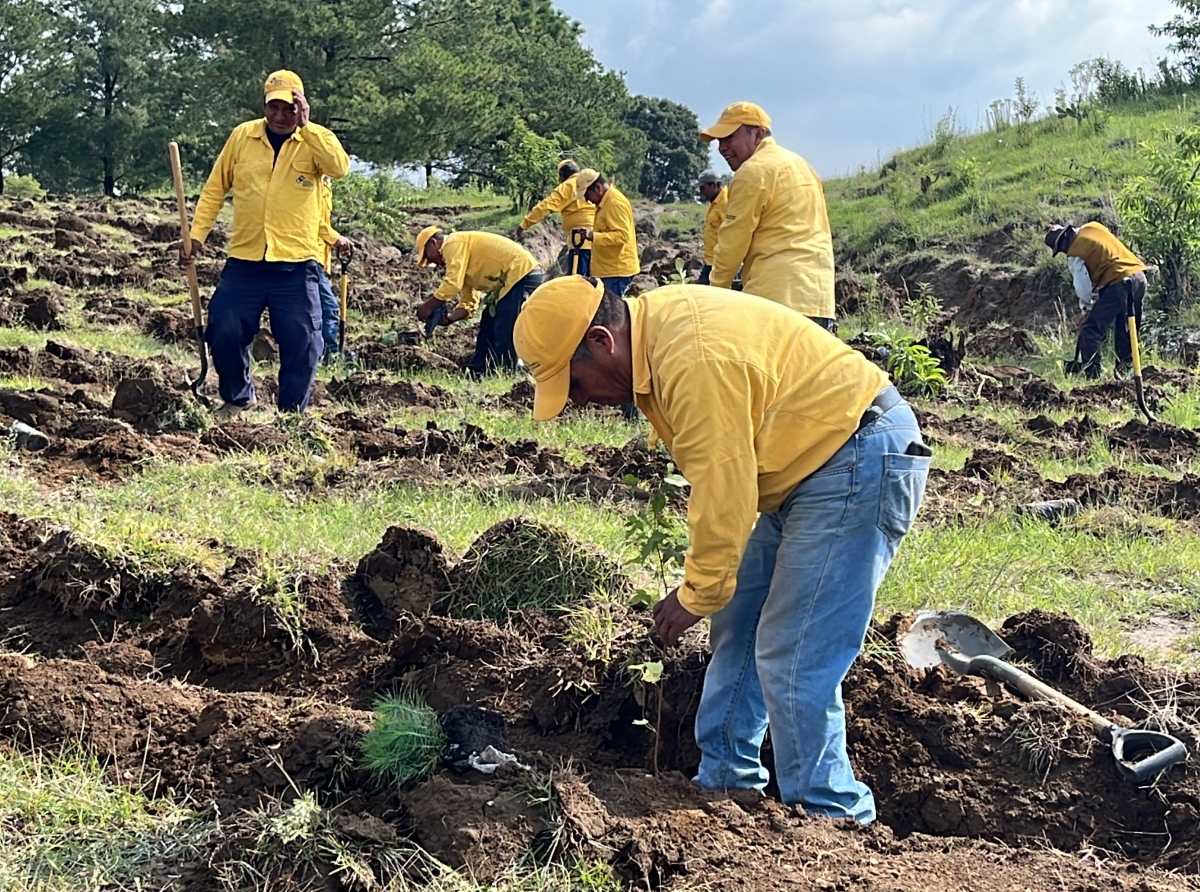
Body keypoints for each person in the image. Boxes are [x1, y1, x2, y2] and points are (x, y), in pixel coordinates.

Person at [513, 275, 930, 823]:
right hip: (810, 466)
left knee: (794, 650)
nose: (579, 400)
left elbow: (723, 489)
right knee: (739, 618)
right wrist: (708, 592)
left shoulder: (691, 360)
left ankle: (832, 819)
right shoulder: (657, 337)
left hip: (855, 455)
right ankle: (726, 780)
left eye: (574, 382)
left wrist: (696, 593)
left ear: (600, 340)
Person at [185, 69, 349, 419]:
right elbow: (215, 188)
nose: (279, 116)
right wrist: (196, 235)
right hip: (246, 260)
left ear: (300, 107)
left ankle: (291, 415)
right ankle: (237, 398)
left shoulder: (314, 141)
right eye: (273, 107)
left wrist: (308, 126)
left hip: (295, 263)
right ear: (264, 105)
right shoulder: (243, 137)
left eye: (288, 108)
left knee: (305, 342)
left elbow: (339, 167)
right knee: (224, 327)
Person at [701, 102, 836, 332]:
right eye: (719, 141)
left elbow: (732, 244)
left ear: (758, 134)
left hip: (775, 301)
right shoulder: (802, 166)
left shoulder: (753, 171)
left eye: (729, 137)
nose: (722, 147)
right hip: (818, 300)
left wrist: (714, 295)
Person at [414, 227, 543, 375]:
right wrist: (449, 320)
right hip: (510, 282)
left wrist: (427, 306)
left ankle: (506, 373)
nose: (432, 262)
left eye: (428, 256)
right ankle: (478, 371)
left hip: (521, 274)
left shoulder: (452, 243)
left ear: (434, 243)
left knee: (505, 328)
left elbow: (452, 284)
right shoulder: (461, 259)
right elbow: (470, 300)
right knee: (488, 325)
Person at [1046, 222, 1147, 379]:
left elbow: (1082, 286)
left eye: (1061, 249)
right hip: (1139, 277)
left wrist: (1086, 309)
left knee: (1090, 328)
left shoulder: (1075, 252)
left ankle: (1093, 375)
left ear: (1063, 243)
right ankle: (1125, 370)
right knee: (1126, 326)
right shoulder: (1094, 227)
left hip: (1118, 281)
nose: (1064, 252)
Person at [516, 159, 596, 276]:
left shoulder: (568, 186)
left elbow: (545, 206)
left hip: (581, 243)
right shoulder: (591, 183)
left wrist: (524, 224)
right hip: (598, 240)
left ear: (562, 175)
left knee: (579, 283)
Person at [575, 169, 639, 297]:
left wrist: (592, 236)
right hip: (608, 271)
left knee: (613, 315)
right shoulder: (605, 202)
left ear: (598, 188)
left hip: (616, 273)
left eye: (587, 195)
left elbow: (622, 236)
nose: (588, 200)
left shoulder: (615, 203)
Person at [317, 175, 353, 360]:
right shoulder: (309, 182)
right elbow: (310, 220)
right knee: (328, 308)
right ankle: (330, 354)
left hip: (318, 259)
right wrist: (335, 238)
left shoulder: (325, 184)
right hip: (308, 257)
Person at [697, 170, 727, 286]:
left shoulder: (725, 202)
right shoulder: (715, 202)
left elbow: (732, 232)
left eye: (703, 188)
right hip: (711, 259)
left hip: (720, 262)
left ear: (713, 185)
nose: (701, 192)